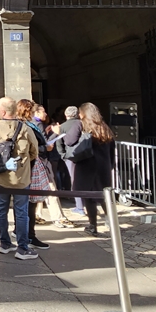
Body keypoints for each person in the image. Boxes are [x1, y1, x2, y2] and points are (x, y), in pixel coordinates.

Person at [0, 97, 41, 260]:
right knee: (21, 213)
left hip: (0, 178)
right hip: (21, 179)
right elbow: (34, 152)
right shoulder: (25, 128)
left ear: (3, 111)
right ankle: (22, 248)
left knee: (1, 211)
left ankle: (5, 243)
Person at [55, 102, 116, 238]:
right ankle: (112, 224)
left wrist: (59, 132)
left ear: (82, 113)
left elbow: (70, 141)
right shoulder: (104, 127)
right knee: (104, 197)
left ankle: (93, 226)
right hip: (103, 167)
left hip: (86, 166)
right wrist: (110, 165)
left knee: (89, 197)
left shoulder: (80, 124)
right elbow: (112, 148)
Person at [17, 99, 68, 234]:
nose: (45, 113)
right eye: (43, 111)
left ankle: (35, 219)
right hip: (37, 162)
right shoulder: (34, 125)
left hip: (33, 162)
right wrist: (54, 135)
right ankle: (58, 218)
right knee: (49, 188)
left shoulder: (28, 124)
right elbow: (39, 145)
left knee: (37, 193)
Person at [58, 106, 84, 215]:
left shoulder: (62, 126)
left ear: (66, 114)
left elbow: (59, 143)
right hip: (85, 155)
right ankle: (89, 203)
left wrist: (63, 155)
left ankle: (80, 207)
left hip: (71, 157)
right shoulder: (83, 124)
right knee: (85, 180)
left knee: (74, 180)